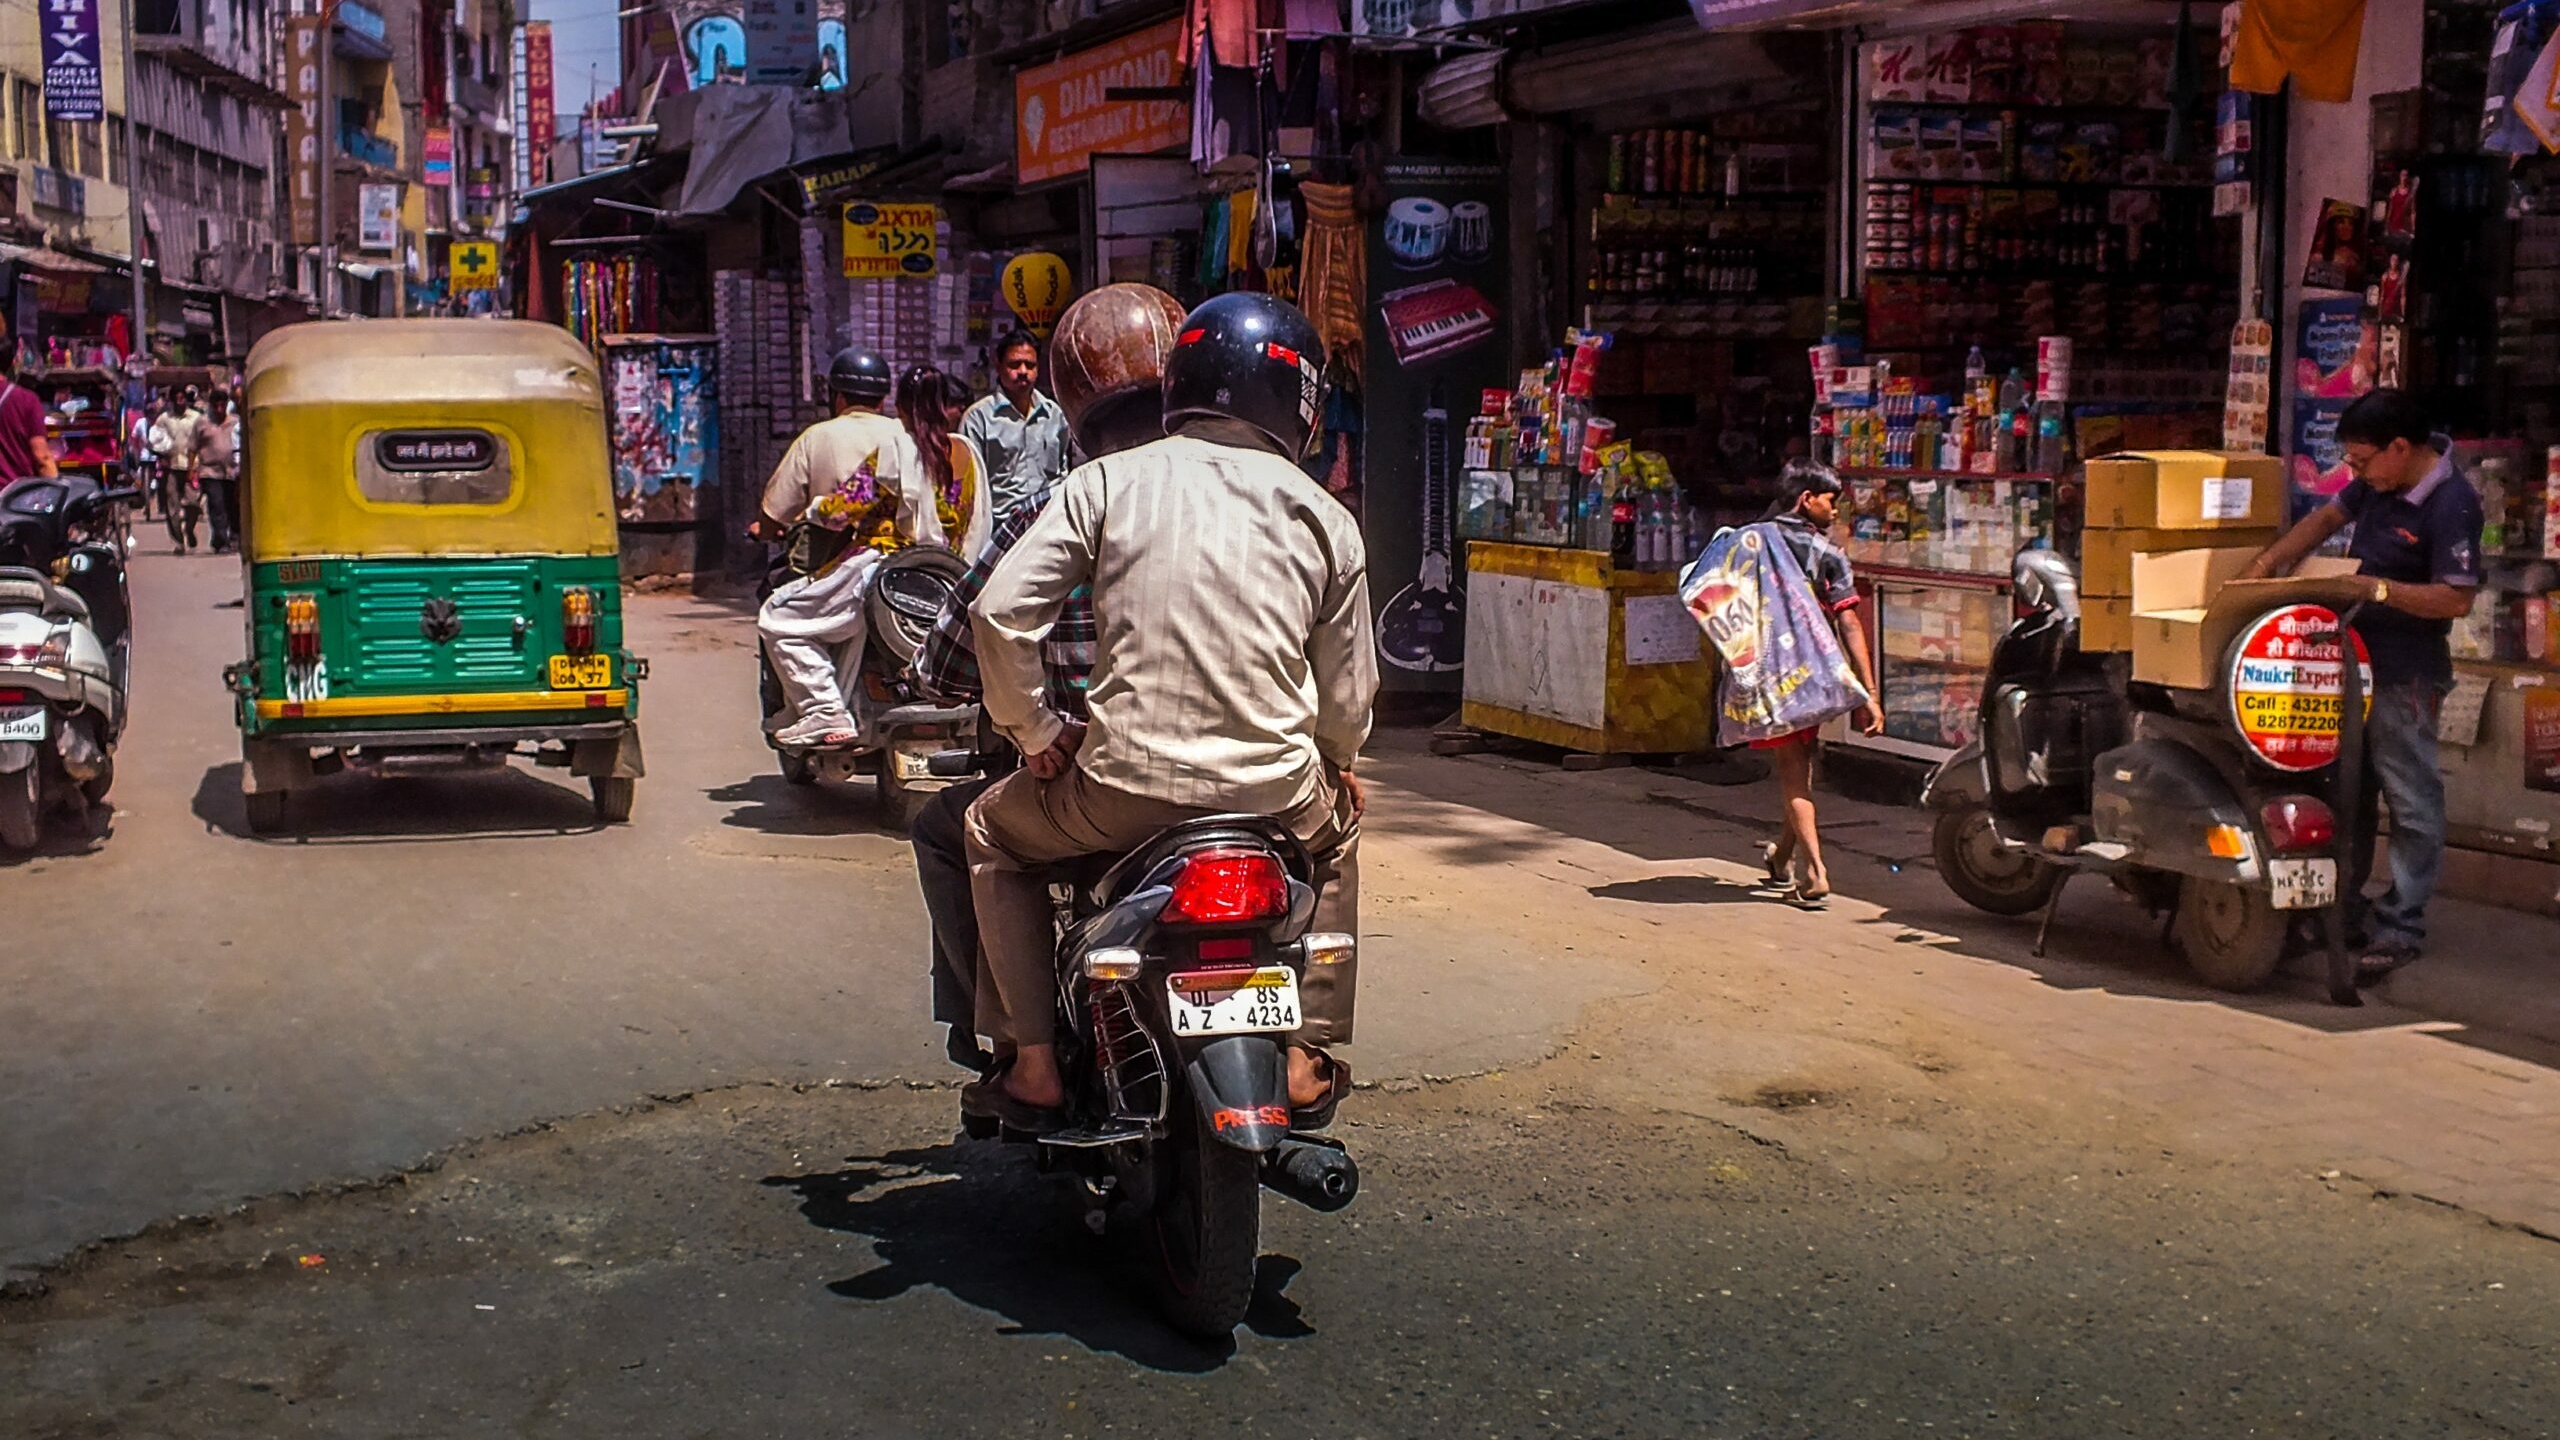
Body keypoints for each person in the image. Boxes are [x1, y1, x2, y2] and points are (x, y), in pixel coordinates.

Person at [959, 292, 1375, 1133]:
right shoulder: (1327, 517)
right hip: (1275, 799)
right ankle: (1310, 1052)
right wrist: (1336, 760)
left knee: (989, 833)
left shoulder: (1104, 483)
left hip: (1119, 791)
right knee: (1338, 839)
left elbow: (998, 616)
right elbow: (1348, 696)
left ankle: (1032, 1064)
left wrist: (1037, 733)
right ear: (1300, 407)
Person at [910, 283, 1187, 1074]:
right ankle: (1309, 1044)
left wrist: (1035, 731)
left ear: (1071, 401)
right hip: (1254, 777)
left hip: (1103, 781)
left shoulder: (1062, 504)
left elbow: (970, 641)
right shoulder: (1251, 498)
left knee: (960, 827)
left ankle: (1020, 1050)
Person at [2240, 388, 2483, 979]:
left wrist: (2376, 589)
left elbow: (2456, 599)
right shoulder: (2376, 484)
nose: (2356, 472)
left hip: (2406, 672)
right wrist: (2264, 569)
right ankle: (2339, 910)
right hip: (2350, 666)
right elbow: (2325, 518)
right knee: (2346, 792)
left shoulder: (2452, 502)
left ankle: (2402, 923)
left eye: (2363, 459)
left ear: (2400, 447)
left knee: (2411, 799)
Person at [754, 347, 942, 748]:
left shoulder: (876, 447)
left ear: (838, 396)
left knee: (778, 617)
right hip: (927, 569)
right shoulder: (942, 449)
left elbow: (839, 510)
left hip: (870, 561)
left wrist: (809, 511)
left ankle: (822, 708)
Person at [1746, 461, 1883, 910]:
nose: (1835, 510)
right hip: (1816, 676)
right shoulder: (1828, 553)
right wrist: (1869, 692)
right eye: (1831, 500)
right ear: (1806, 499)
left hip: (1771, 672)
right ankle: (1783, 857)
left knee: (1793, 772)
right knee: (1799, 769)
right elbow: (1850, 622)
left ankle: (1814, 872)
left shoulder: (1750, 543)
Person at [959, 328, 1071, 520]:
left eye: (1030, 365)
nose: (1023, 371)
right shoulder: (978, 419)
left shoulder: (1054, 415)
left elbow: (1061, 473)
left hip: (1046, 523)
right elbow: (969, 485)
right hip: (999, 527)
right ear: (998, 366)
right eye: (1014, 364)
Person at [895, 362, 990, 561]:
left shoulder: (897, 448)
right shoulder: (967, 450)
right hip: (958, 566)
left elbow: (841, 510)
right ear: (943, 406)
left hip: (908, 566)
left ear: (900, 407)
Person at [191, 389, 242, 553]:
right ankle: (220, 540)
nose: (219, 409)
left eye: (222, 406)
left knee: (232, 506)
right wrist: (191, 470)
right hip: (210, 471)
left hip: (232, 472)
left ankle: (235, 536)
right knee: (216, 504)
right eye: (216, 406)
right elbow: (193, 448)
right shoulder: (202, 423)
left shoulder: (235, 422)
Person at [0, 345, 59, 487]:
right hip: (14, 495)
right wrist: (55, 490)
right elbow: (42, 457)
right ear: (12, 362)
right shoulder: (26, 400)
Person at [158, 388, 204, 552]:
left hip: (192, 466)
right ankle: (178, 542)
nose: (180, 401)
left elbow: (203, 440)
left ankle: (189, 529)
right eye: (176, 398)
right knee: (172, 508)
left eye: (182, 398)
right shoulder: (164, 419)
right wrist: (160, 455)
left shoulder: (196, 418)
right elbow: (155, 439)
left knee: (193, 503)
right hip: (171, 467)